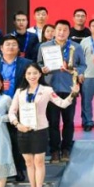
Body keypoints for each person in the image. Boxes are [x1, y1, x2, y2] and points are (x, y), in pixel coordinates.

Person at [10, 63, 78, 187]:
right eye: (29, 73)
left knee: (39, 162)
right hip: (23, 130)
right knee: (29, 163)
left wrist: (73, 94)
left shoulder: (47, 90)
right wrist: (17, 124)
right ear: (25, 75)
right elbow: (12, 111)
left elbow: (62, 104)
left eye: (35, 73)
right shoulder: (19, 92)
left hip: (40, 130)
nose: (32, 76)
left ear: (40, 74)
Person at [37, 20, 86, 162]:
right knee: (53, 122)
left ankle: (66, 150)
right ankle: (54, 151)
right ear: (54, 31)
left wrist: (73, 69)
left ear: (69, 32)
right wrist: (42, 69)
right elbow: (39, 64)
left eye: (65, 30)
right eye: (59, 29)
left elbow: (83, 65)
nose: (61, 32)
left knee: (68, 121)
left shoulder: (76, 47)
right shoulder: (45, 47)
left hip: (69, 88)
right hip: (51, 88)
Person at [0, 36, 31, 181]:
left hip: (18, 105)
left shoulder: (27, 63)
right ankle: (1, 169)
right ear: (1, 48)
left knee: (18, 139)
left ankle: (18, 169)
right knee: (0, 139)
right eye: (7, 44)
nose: (10, 47)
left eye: (14, 44)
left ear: (18, 48)